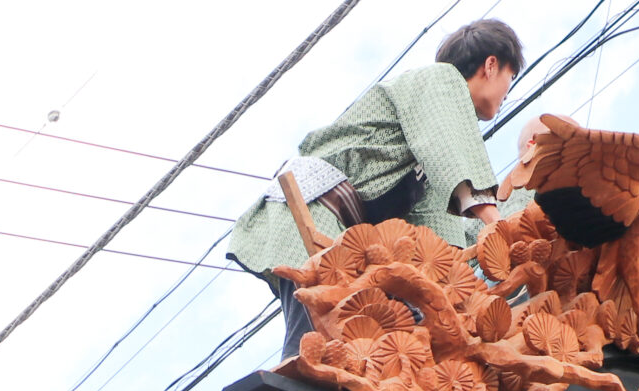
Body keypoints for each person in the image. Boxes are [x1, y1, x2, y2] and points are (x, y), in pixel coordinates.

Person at [223, 19, 528, 355]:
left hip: (338, 232)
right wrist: (496, 224)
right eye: (510, 79)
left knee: (366, 342)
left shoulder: (425, 153)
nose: (506, 94)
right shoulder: (441, 82)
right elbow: (450, 150)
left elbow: (436, 240)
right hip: (312, 211)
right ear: (491, 65)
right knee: (318, 345)